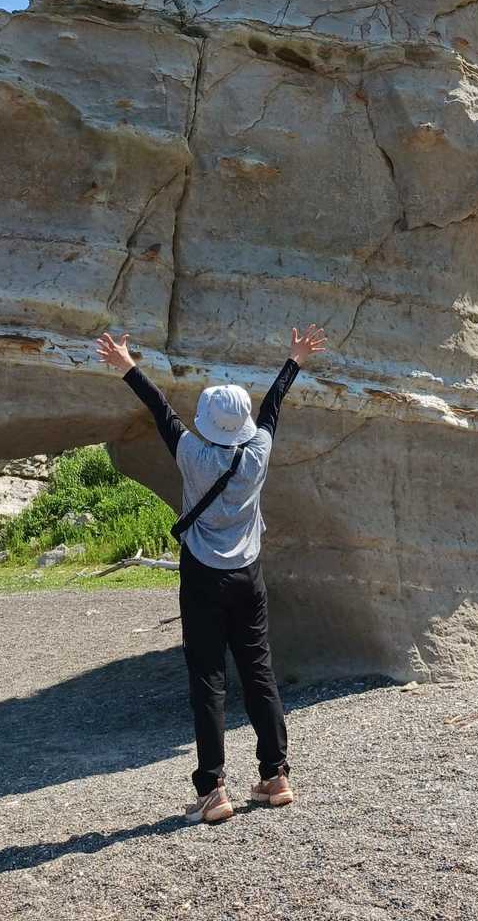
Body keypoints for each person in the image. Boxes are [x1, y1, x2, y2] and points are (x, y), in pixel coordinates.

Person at [94, 322, 327, 824]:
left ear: (208, 422)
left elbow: (161, 411)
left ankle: (213, 790)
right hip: (248, 574)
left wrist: (127, 365)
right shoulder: (258, 452)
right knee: (259, 672)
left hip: (202, 574)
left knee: (208, 678)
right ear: (241, 423)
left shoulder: (192, 454)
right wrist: (295, 359)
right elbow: (272, 408)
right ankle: (275, 775)